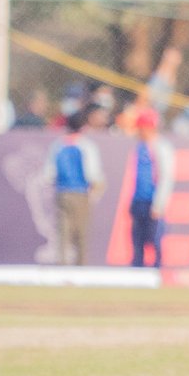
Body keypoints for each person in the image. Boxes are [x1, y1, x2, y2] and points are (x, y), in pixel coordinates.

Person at [44, 108, 104, 265]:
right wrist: (96, 190)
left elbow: (49, 174)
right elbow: (93, 173)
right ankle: (80, 267)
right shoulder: (86, 146)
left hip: (62, 192)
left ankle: (62, 264)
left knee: (63, 231)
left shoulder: (58, 145)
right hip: (80, 193)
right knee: (81, 233)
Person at [129, 108, 174, 268]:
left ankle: (157, 268)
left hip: (152, 200)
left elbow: (165, 176)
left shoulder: (160, 147)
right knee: (137, 239)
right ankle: (137, 267)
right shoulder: (140, 146)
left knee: (155, 238)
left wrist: (159, 203)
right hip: (138, 200)